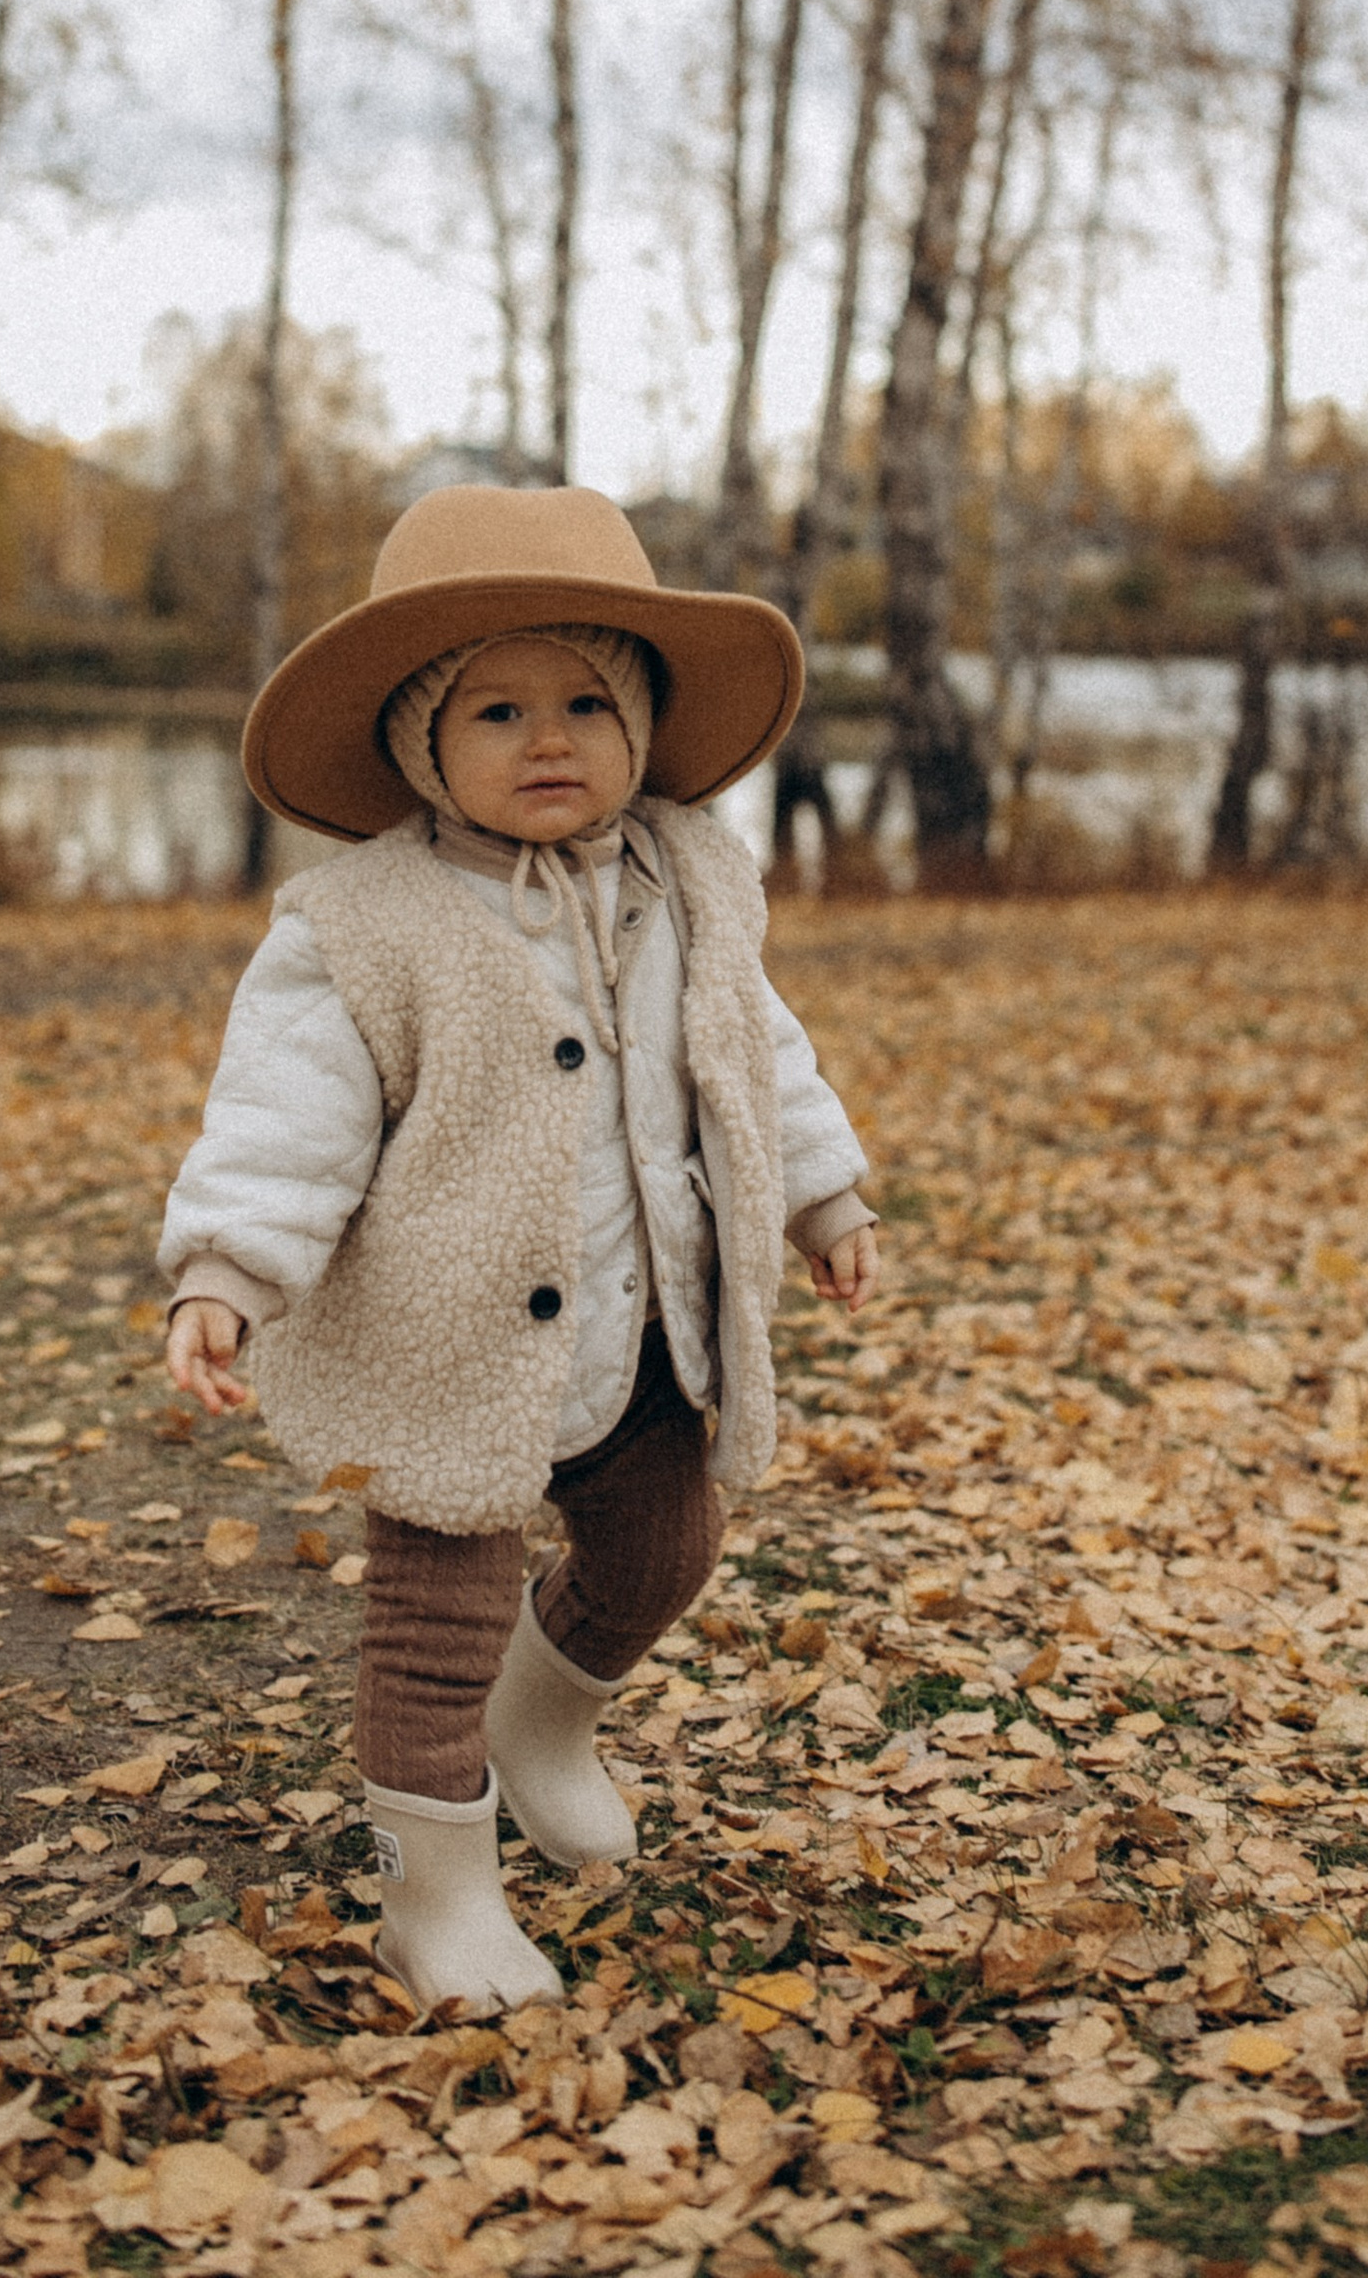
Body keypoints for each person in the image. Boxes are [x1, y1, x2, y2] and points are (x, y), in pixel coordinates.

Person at [159, 482, 879, 2012]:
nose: (548, 739)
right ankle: (443, 1899)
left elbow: (754, 1047)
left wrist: (823, 1194)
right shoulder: (365, 925)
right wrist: (229, 1270)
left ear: (643, 725)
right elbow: (285, 1112)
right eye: (496, 709)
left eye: (585, 703)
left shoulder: (687, 878)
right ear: (423, 744)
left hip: (642, 1333)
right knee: (437, 1627)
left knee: (668, 1545)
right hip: (450, 1347)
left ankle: (541, 1725)